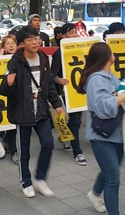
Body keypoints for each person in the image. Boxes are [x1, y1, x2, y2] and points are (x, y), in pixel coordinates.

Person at [0, 26, 63, 198]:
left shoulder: (43, 57)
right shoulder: (14, 62)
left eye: (37, 38)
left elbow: (49, 83)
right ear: (21, 44)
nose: (36, 42)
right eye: (30, 39)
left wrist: (56, 103)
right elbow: (3, 90)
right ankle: (25, 181)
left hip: (41, 109)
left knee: (48, 143)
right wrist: (9, 83)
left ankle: (40, 178)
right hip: (23, 111)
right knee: (24, 150)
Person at [77, 42, 125, 215]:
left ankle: (94, 193)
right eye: (112, 52)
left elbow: (122, 93)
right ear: (107, 56)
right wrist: (122, 98)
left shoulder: (111, 77)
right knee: (113, 180)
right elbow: (101, 106)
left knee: (110, 171)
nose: (115, 55)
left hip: (116, 134)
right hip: (102, 137)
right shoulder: (96, 79)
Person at [51, 23, 87, 165]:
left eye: (75, 32)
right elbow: (51, 75)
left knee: (75, 121)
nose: (74, 35)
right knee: (76, 121)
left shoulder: (82, 49)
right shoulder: (59, 53)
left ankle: (65, 136)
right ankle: (77, 152)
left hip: (81, 90)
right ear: (63, 36)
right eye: (71, 33)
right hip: (67, 92)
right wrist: (58, 80)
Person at [0, 35, 19, 163]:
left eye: (13, 43)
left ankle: (11, 145)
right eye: (8, 44)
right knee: (10, 125)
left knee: (14, 126)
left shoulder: (20, 59)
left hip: (18, 97)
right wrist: (0, 56)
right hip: (3, 97)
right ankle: (13, 151)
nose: (11, 46)